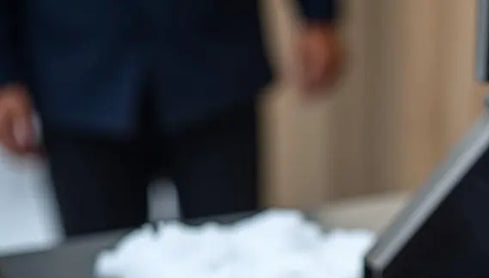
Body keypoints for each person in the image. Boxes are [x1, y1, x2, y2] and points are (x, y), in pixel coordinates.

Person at [0, 1, 343, 236]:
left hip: (213, 57)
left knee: (231, 253)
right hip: (75, 66)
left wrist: (318, 15)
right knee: (95, 274)